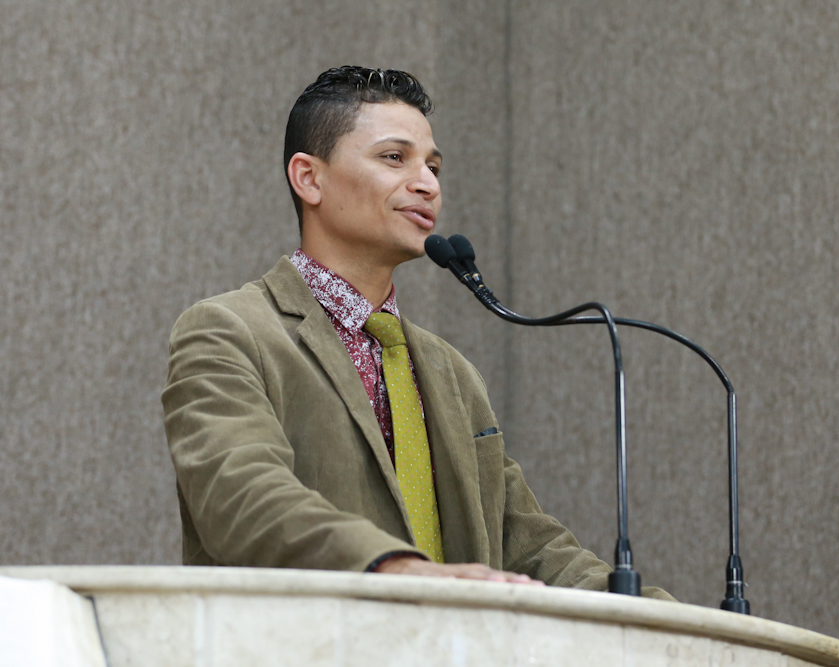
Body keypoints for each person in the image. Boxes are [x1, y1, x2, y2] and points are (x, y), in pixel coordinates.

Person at [162, 66, 673, 600]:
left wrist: (668, 620)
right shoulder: (229, 332)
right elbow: (240, 497)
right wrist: (396, 568)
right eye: (394, 158)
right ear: (309, 178)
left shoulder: (453, 372)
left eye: (433, 166)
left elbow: (528, 546)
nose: (427, 184)